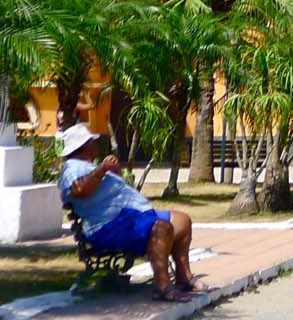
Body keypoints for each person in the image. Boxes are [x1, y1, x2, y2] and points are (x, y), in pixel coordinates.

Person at [56, 126, 201, 301]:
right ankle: (163, 286)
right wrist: (102, 169)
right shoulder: (72, 168)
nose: (95, 144)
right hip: (108, 226)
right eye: (92, 141)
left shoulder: (86, 166)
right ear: (84, 145)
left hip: (130, 218)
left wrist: (112, 172)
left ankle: (183, 276)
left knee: (182, 220)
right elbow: (78, 189)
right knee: (162, 228)